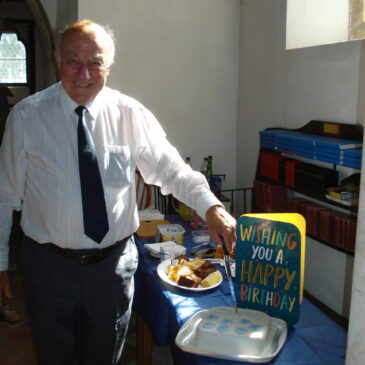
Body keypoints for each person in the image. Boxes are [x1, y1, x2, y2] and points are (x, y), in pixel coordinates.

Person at [0, 20, 236, 364]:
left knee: (105, 355)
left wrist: (211, 206)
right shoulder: (26, 117)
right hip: (48, 268)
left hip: (111, 269)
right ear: (56, 60)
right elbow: (5, 194)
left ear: (108, 65)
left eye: (95, 61)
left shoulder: (131, 115)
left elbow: (171, 170)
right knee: (54, 355)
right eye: (73, 60)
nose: (84, 72)